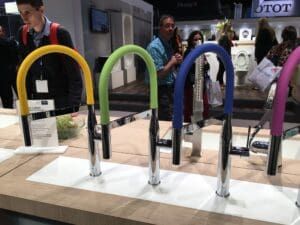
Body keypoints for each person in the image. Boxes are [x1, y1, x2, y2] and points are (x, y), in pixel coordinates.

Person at [16, 0, 83, 110]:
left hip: (61, 99)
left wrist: (74, 106)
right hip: (36, 100)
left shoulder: (59, 33)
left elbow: (74, 73)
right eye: (20, 13)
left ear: (41, 10)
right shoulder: (22, 33)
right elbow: (25, 71)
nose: (24, 18)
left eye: (27, 12)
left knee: (61, 127)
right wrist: (24, 101)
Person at [146, 15, 182, 121]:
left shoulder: (167, 44)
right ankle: (162, 138)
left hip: (168, 88)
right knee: (164, 120)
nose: (170, 29)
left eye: (172, 26)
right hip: (160, 91)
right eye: (167, 26)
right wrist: (172, 62)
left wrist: (176, 59)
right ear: (160, 28)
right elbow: (158, 74)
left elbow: (169, 64)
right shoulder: (154, 47)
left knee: (168, 117)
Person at [183, 30, 210, 122]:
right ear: (191, 41)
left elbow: (207, 66)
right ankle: (187, 128)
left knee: (205, 107)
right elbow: (188, 68)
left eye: (200, 39)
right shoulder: (188, 52)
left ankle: (202, 125)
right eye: (195, 39)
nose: (198, 41)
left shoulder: (201, 52)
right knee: (190, 108)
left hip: (201, 84)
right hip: (191, 85)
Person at [0, 25, 18, 108]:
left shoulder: (10, 42)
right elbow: (16, 57)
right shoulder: (10, 42)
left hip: (3, 77)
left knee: (7, 102)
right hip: (13, 73)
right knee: (22, 95)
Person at [216, 22, 234, 87]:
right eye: (230, 29)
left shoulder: (224, 36)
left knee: (221, 69)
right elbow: (224, 47)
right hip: (223, 56)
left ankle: (220, 83)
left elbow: (225, 45)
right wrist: (226, 57)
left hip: (222, 55)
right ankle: (220, 84)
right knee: (221, 70)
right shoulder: (224, 36)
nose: (231, 30)